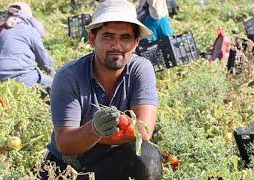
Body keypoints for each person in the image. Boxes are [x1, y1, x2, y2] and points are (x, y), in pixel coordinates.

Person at [40, 0, 162, 179]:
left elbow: (143, 131)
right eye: (108, 36)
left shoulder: (141, 69)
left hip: (113, 159)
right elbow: (65, 144)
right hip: (69, 164)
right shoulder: (69, 76)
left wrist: (96, 132)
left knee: (146, 155)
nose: (116, 46)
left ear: (136, 42)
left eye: (125, 38)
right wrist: (94, 129)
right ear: (92, 39)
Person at [0, 2, 55, 91]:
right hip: (13, 78)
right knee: (54, 83)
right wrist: (54, 72)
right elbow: (44, 60)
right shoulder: (29, 30)